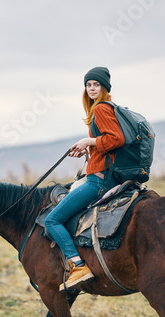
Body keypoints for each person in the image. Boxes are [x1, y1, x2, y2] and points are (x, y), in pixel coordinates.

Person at [45, 66, 125, 291]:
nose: (91, 88)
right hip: (105, 175)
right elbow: (107, 145)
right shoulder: (107, 107)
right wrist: (88, 150)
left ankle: (78, 266)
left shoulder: (100, 108)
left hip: (98, 182)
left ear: (104, 87)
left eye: (96, 84)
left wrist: (88, 141)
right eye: (88, 84)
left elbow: (115, 139)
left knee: (52, 220)